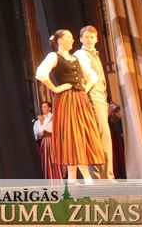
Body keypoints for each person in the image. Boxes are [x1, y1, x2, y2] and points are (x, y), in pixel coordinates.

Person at [35, 29, 104, 181]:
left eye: (73, 38)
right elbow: (40, 73)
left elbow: (92, 76)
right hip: (66, 99)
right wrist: (55, 89)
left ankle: (74, 177)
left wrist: (85, 89)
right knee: (71, 135)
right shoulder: (54, 56)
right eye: (69, 38)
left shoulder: (77, 58)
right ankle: (80, 177)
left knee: (82, 134)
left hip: (80, 99)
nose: (72, 40)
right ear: (60, 40)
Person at [73, 26, 113, 179]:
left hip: (101, 97)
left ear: (96, 39)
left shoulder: (94, 54)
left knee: (102, 137)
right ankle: (103, 178)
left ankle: (104, 177)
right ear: (81, 39)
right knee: (100, 137)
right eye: (86, 37)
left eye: (92, 37)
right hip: (93, 97)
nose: (89, 40)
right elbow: (88, 76)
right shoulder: (81, 54)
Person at [33, 101, 63, 179]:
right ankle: (49, 178)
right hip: (45, 141)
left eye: (45, 107)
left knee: (55, 158)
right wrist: (41, 123)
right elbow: (39, 133)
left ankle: (58, 177)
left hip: (53, 140)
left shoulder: (54, 117)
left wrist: (43, 125)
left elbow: (53, 129)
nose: (43, 108)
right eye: (42, 107)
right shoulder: (41, 118)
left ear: (50, 108)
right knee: (46, 160)